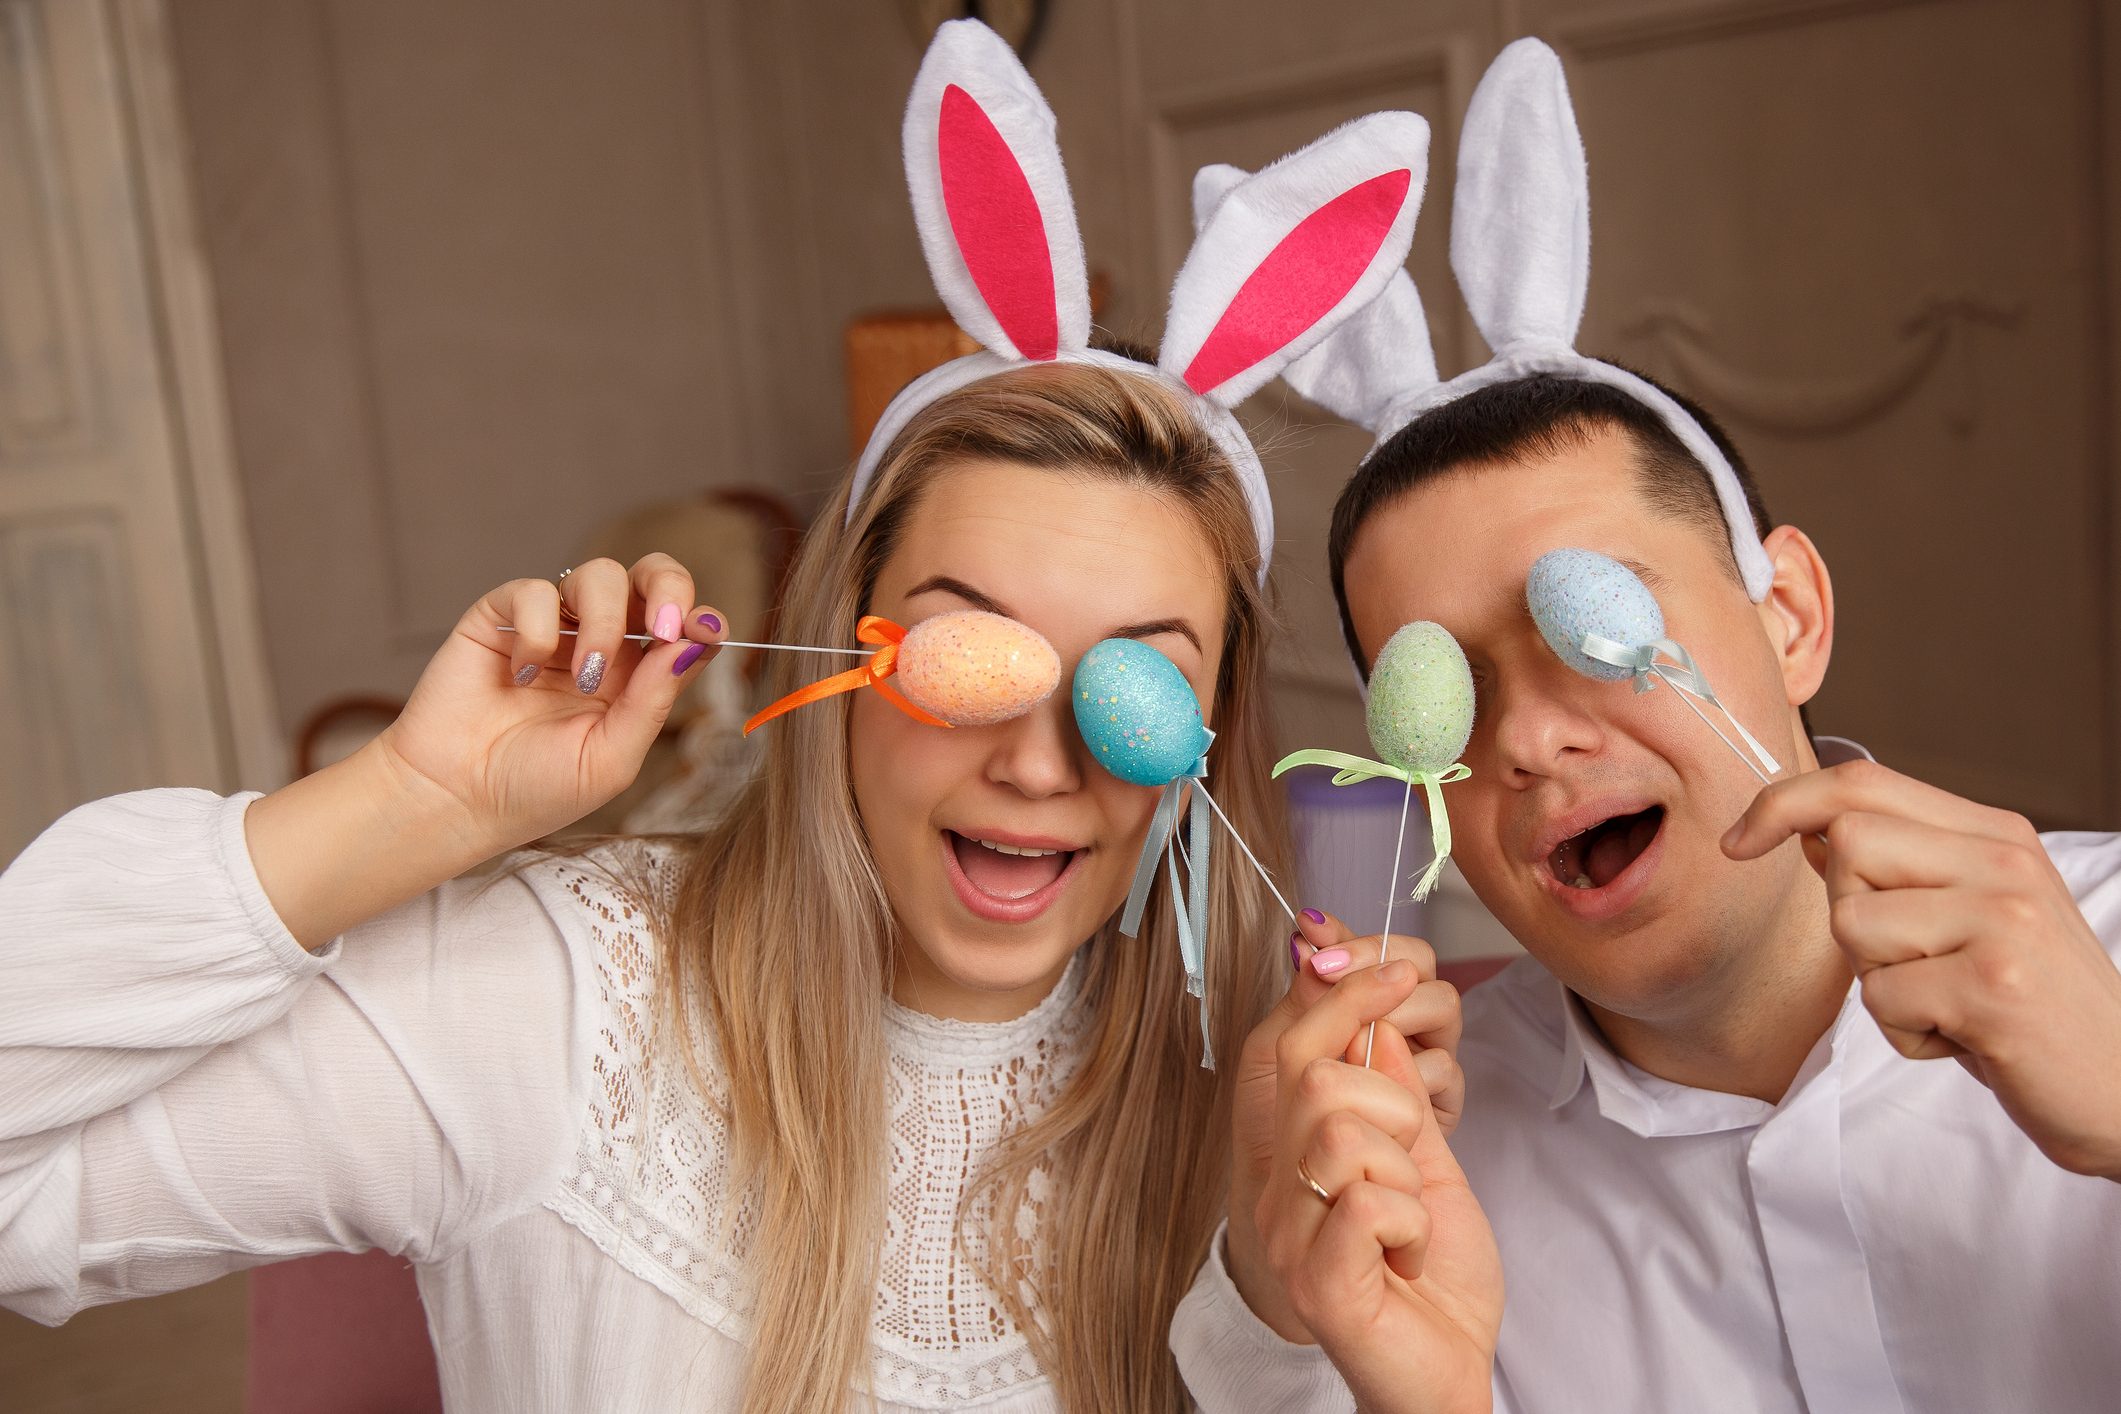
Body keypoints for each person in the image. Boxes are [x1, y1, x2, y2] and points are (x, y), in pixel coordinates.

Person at [0, 21, 1449, 1413]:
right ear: (840, 650)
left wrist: (1272, 1295)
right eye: (967, 652)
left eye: (1132, 688)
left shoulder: (1256, 1099)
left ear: (1205, 736)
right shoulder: (565, 1008)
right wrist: (408, 802)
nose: (1035, 760)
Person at [1180, 38, 2121, 1414]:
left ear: (1788, 613)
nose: (1524, 741)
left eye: (1583, 620)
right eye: (1438, 689)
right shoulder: (1424, 1178)